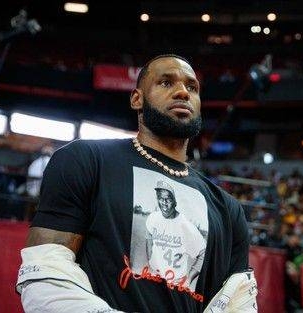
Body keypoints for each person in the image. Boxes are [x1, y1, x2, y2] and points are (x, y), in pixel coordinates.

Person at [16, 54, 256, 313]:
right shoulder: (84, 160)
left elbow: (237, 303)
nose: (183, 93)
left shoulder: (228, 209)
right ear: (137, 99)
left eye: (192, 87)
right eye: (166, 83)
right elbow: (44, 273)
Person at [145, 180, 206, 289]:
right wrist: (150, 261)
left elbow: (203, 253)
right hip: (154, 277)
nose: (164, 202)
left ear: (175, 202)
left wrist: (189, 279)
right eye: (160, 198)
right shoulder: (153, 218)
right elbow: (149, 237)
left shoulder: (185, 225)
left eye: (168, 198)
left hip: (176, 283)